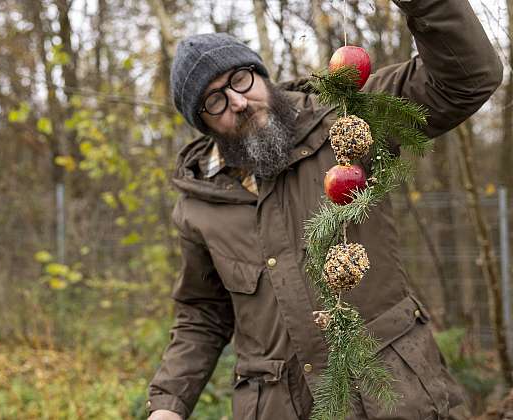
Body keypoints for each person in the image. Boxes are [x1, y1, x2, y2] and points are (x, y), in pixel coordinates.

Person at [146, 0, 503, 418]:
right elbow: (202, 314)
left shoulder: (347, 117)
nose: (237, 102)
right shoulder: (200, 203)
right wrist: (168, 404)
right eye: (215, 102)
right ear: (204, 123)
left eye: (239, 80)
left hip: (395, 398)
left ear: (260, 74)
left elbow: (467, 79)